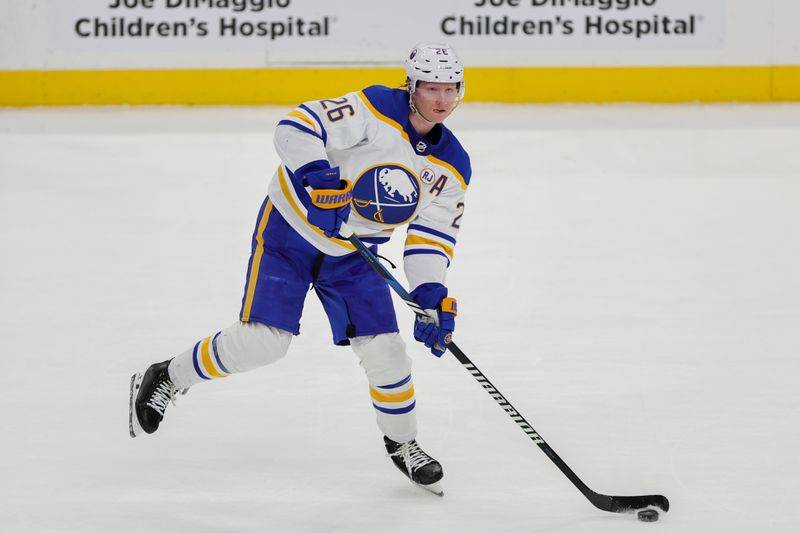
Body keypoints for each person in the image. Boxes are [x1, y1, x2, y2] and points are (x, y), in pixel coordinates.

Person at [129, 43, 471, 496]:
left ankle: (403, 444)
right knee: (263, 344)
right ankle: (167, 375)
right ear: (411, 86)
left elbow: (430, 237)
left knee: (387, 352)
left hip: (355, 254)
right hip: (290, 233)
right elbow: (296, 125)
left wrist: (429, 292)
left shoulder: (452, 165)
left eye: (450, 89)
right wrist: (317, 175)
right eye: (431, 88)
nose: (441, 99)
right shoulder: (372, 108)